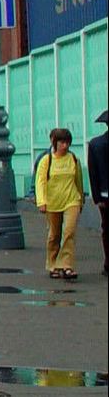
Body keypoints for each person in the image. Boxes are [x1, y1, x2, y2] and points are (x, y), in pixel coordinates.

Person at [34, 127, 86, 281]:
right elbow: (40, 182)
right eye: (62, 142)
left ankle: (67, 265)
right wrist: (41, 201)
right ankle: (53, 264)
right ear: (54, 142)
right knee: (54, 235)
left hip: (71, 200)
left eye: (67, 142)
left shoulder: (73, 159)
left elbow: (78, 181)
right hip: (52, 203)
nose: (65, 146)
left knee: (69, 232)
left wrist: (80, 199)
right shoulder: (47, 161)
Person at [86, 110, 108, 276]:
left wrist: (96, 197)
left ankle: (108, 263)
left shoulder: (95, 144)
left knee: (106, 228)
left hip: (105, 195)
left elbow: (92, 173)